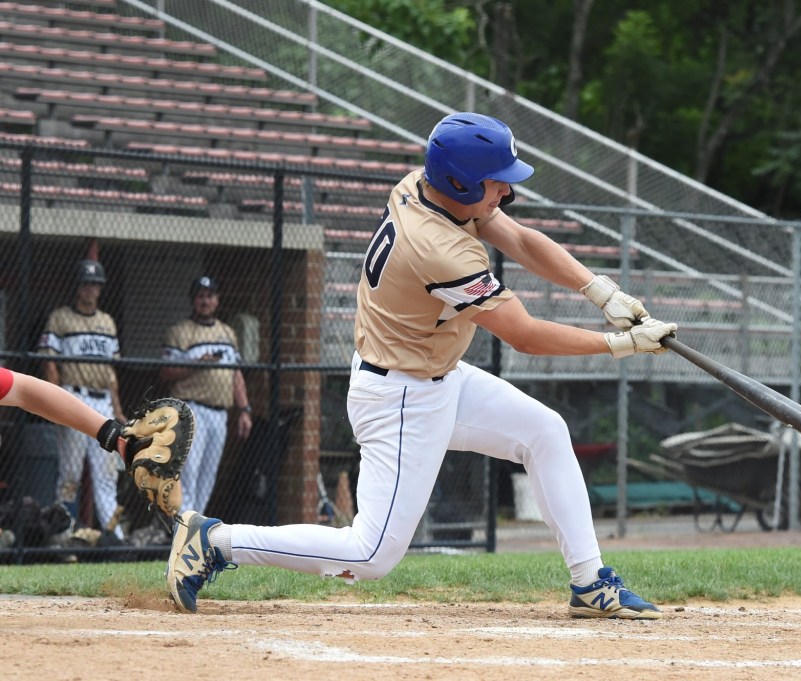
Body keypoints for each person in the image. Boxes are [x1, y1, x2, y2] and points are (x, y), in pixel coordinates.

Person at [167, 112, 677, 619]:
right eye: (497, 183)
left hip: (436, 374)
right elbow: (524, 335)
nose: (506, 192)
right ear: (460, 181)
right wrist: (621, 345)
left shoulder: (425, 185)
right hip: (401, 396)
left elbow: (518, 239)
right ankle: (217, 540)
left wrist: (599, 290)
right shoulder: (440, 251)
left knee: (545, 431)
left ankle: (590, 582)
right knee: (369, 554)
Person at [38, 259, 126, 539]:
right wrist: (56, 402)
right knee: (70, 475)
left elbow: (111, 373)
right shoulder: (61, 318)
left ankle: (115, 539)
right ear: (77, 286)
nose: (90, 289)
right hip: (73, 396)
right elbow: (49, 363)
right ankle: (63, 537)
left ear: (100, 289)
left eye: (95, 284)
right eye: (86, 283)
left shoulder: (107, 322)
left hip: (102, 401)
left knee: (106, 476)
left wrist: (118, 409)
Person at [159, 276, 252, 516]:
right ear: (193, 300)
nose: (205, 301)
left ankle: (193, 531)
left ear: (217, 300)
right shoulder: (181, 331)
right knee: (188, 473)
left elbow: (236, 375)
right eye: (200, 296)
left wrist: (244, 410)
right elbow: (166, 371)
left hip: (219, 413)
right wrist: (196, 365)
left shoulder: (227, 333)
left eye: (209, 296)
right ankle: (183, 530)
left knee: (208, 476)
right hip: (191, 409)